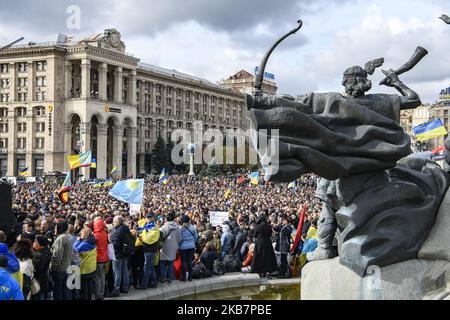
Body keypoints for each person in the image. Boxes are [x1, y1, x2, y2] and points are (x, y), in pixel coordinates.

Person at [50, 221, 73, 300]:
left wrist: (52, 267)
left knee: (58, 292)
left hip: (59, 269)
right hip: (66, 267)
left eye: (56, 227)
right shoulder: (67, 236)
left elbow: (57, 255)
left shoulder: (61, 238)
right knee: (63, 291)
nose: (55, 229)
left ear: (60, 228)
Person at [110, 216, 132, 297]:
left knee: (117, 272)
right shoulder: (126, 228)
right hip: (125, 253)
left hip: (117, 254)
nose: (113, 222)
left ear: (118, 222)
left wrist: (110, 241)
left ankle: (116, 289)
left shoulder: (117, 230)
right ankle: (125, 288)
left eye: (114, 221)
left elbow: (115, 244)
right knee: (125, 270)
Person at [73, 228, 97, 300]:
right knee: (89, 284)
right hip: (92, 267)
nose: (80, 234)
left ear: (85, 234)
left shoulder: (84, 244)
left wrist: (78, 240)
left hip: (84, 268)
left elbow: (74, 249)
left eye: (82, 233)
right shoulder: (93, 240)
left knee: (84, 287)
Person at [251, 214, 278, 278]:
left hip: (259, 243)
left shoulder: (257, 226)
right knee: (268, 257)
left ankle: (260, 271)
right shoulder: (269, 226)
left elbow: (255, 235)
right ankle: (268, 272)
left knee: (259, 257)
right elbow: (270, 234)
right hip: (268, 243)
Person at [137, 213, 159, 290]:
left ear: (152, 218)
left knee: (147, 267)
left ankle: (144, 284)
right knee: (151, 267)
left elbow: (148, 239)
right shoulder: (147, 226)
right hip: (148, 249)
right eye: (147, 218)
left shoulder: (153, 227)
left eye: (150, 217)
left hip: (150, 249)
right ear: (145, 218)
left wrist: (141, 236)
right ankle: (154, 282)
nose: (149, 219)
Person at [159, 211, 181, 284]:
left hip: (164, 246)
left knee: (162, 263)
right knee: (171, 263)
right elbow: (180, 238)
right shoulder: (177, 227)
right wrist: (176, 244)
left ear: (166, 219)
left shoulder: (163, 227)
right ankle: (169, 278)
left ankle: (162, 278)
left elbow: (160, 237)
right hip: (174, 246)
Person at [31, 235, 52, 300]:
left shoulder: (42, 255)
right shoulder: (42, 251)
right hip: (40, 280)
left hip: (39, 281)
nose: (33, 243)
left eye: (35, 241)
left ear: (41, 244)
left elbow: (37, 269)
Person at [93, 217, 108, 300]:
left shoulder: (96, 235)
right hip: (104, 258)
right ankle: (102, 293)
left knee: (97, 278)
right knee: (102, 277)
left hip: (98, 258)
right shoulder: (104, 233)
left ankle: (98, 295)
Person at [178, 215, 198, 281]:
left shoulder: (180, 228)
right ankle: (190, 277)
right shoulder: (192, 227)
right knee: (189, 261)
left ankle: (184, 277)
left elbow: (179, 239)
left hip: (183, 247)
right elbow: (196, 237)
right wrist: (192, 242)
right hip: (191, 246)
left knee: (183, 261)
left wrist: (179, 245)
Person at [274, 214, 293, 278]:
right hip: (281, 245)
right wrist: (279, 224)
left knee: (283, 260)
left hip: (285, 245)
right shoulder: (283, 226)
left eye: (284, 220)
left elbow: (285, 232)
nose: (283, 221)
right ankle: (282, 272)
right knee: (282, 259)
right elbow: (275, 229)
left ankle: (284, 273)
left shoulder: (289, 227)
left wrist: (282, 226)